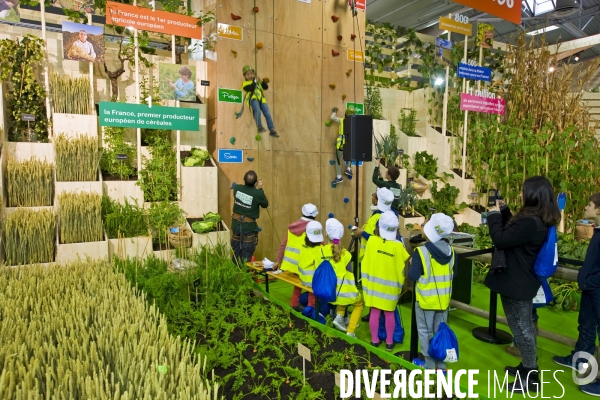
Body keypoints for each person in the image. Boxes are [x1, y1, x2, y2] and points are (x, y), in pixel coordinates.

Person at [484, 176, 560, 393]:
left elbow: (500, 238)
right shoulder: (536, 218)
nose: (521, 194)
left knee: (522, 329)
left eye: (524, 191)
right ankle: (526, 368)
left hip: (517, 281)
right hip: (518, 280)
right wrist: (506, 211)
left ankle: (531, 375)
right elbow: (513, 234)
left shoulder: (531, 221)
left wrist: (493, 215)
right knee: (520, 326)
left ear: (534, 194)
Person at [553, 192, 600, 396]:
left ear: (598, 209)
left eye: (589, 205)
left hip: (596, 289)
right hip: (591, 290)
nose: (585, 207)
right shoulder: (596, 231)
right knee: (586, 326)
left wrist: (589, 281)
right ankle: (579, 360)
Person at [408, 213, 456, 372]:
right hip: (443, 302)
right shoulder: (451, 251)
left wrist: (411, 264)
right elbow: (453, 273)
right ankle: (441, 367)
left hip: (425, 302)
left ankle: (429, 366)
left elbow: (413, 276)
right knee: (439, 332)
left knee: (425, 332)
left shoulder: (421, 252)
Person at [362, 211, 410, 351]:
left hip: (372, 287)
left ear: (378, 227)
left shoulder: (371, 241)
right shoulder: (398, 246)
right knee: (389, 313)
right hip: (391, 289)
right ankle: (389, 342)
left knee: (375, 312)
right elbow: (407, 259)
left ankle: (375, 340)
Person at [318, 218, 364, 337]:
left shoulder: (321, 251)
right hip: (341, 292)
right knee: (359, 303)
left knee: (343, 296)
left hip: (327, 291)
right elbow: (349, 275)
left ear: (326, 234)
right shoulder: (346, 254)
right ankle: (350, 331)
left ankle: (339, 317)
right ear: (341, 235)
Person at [273, 203, 319, 311]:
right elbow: (319, 245)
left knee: (299, 281)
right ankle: (311, 308)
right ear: (315, 215)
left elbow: (283, 244)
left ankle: (294, 303)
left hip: (291, 266)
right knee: (313, 284)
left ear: (302, 213)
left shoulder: (292, 227)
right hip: (305, 266)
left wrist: (278, 261)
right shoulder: (313, 228)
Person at [231, 170, 268, 265]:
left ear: (244, 179)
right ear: (255, 182)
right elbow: (265, 204)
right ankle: (243, 276)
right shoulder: (258, 193)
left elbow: (247, 193)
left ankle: (235, 276)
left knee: (236, 253)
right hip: (248, 227)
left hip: (236, 225)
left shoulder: (237, 188)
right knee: (246, 255)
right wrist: (259, 188)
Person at [241, 65, 278, 137]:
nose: (250, 75)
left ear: (254, 74)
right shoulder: (245, 84)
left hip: (261, 100)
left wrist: (261, 81)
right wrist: (255, 81)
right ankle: (259, 126)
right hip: (253, 99)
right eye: (248, 74)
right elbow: (251, 88)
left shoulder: (258, 83)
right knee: (257, 110)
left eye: (251, 74)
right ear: (245, 76)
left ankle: (272, 129)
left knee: (267, 114)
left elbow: (266, 87)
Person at [330, 106, 355, 185]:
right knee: (350, 155)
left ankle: (339, 176)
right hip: (349, 143)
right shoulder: (354, 124)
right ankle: (348, 168)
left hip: (341, 144)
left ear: (346, 114)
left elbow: (332, 118)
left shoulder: (341, 120)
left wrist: (335, 111)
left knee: (338, 160)